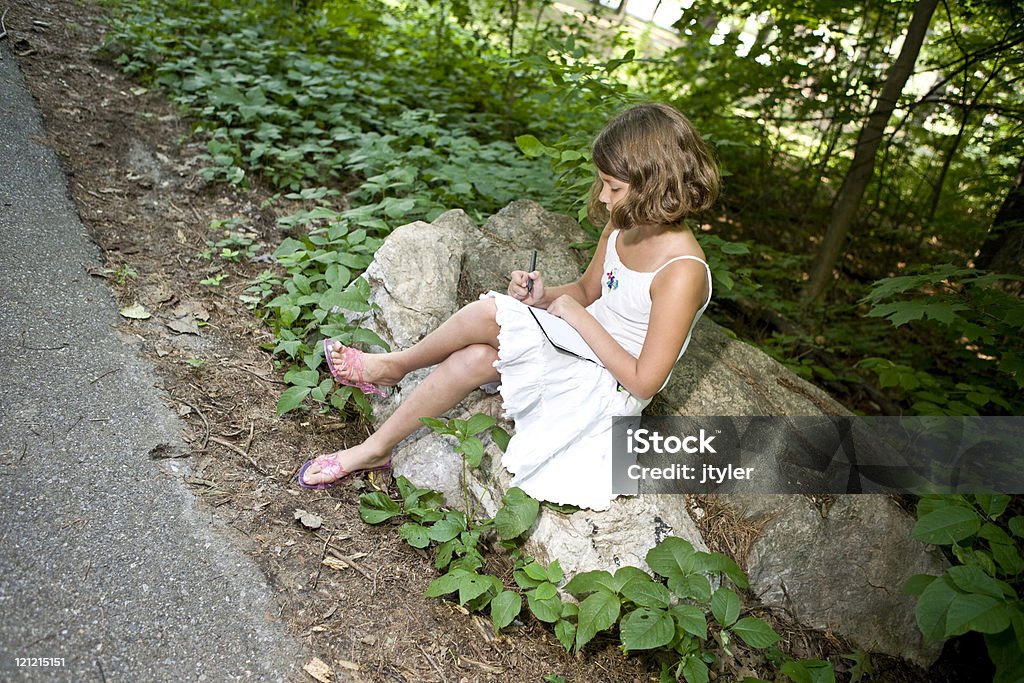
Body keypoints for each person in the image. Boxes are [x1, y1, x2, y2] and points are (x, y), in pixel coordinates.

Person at [299, 102, 720, 510]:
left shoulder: (682, 272)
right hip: (576, 348)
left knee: (490, 312)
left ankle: (394, 367)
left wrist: (574, 317)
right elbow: (588, 291)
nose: (604, 198)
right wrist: (546, 296)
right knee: (475, 359)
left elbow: (643, 382)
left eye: (613, 187)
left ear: (654, 183)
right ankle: (375, 450)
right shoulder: (624, 224)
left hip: (607, 388)